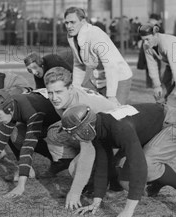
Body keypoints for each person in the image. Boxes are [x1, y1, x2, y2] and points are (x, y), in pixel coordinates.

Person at [61, 103, 176, 217]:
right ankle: (159, 181)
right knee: (124, 180)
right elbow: (103, 166)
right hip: (156, 126)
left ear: (86, 127)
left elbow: (139, 166)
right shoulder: (99, 127)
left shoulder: (119, 127)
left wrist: (127, 211)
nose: (73, 138)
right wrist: (96, 202)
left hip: (175, 123)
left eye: (74, 133)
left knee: (147, 163)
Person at [43, 66, 121, 204]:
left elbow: (88, 148)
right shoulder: (66, 98)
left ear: (71, 89)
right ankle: (88, 177)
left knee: (76, 167)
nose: (54, 98)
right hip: (97, 134)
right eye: (50, 93)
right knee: (54, 132)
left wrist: (74, 192)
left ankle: (104, 180)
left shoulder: (80, 106)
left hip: (116, 140)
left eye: (58, 92)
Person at [0, 88, 60, 197]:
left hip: (59, 123)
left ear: (9, 109)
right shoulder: (11, 106)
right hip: (46, 120)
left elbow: (28, 148)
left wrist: (20, 186)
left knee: (32, 137)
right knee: (14, 133)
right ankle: (56, 162)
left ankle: (62, 161)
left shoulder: (30, 111)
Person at [64, 7, 133, 105]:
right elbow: (79, 64)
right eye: (66, 23)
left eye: (72, 22)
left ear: (83, 21)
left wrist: (111, 96)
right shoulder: (72, 36)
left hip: (118, 77)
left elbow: (111, 66)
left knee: (114, 113)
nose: (69, 26)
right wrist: (76, 88)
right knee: (85, 106)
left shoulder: (95, 34)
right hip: (99, 77)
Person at [138, 24, 176, 123]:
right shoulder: (147, 45)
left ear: (155, 35)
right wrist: (157, 85)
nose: (145, 42)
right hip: (172, 64)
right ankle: (160, 122)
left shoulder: (167, 44)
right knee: (160, 94)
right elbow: (152, 66)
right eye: (143, 39)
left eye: (147, 39)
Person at [137, 14, 165, 89]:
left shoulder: (157, 28)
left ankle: (156, 83)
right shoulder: (146, 26)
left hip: (155, 48)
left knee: (156, 66)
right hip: (147, 48)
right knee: (148, 66)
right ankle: (150, 83)